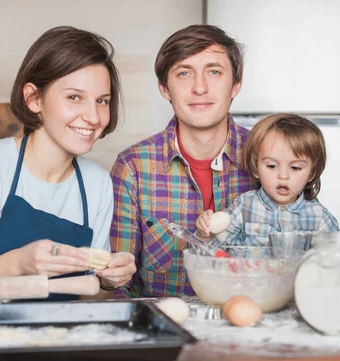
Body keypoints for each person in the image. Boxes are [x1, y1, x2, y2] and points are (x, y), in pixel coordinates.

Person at [0, 26, 135, 299]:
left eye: (102, 101)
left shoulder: (97, 184)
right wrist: (18, 264)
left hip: (58, 338)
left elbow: (86, 299)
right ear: (34, 99)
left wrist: (108, 282)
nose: (93, 117)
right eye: (74, 97)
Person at [110, 25, 256, 298]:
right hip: (165, 333)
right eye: (184, 73)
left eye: (214, 72)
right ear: (164, 88)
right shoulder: (133, 168)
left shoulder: (266, 158)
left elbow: (295, 259)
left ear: (236, 84)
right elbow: (118, 286)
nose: (200, 87)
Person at [196, 113, 340, 246]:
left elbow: (337, 257)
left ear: (312, 173)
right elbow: (217, 253)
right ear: (256, 167)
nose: (283, 176)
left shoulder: (318, 217)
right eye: (272, 166)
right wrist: (205, 235)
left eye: (295, 168)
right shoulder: (245, 207)